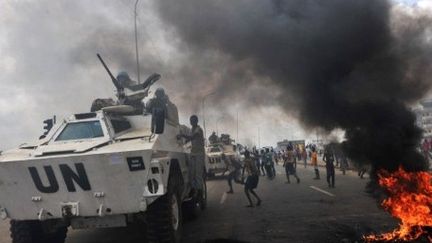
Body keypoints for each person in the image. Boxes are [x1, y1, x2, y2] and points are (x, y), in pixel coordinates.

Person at [177, 115, 205, 196]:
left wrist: (182, 135)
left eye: (192, 120)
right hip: (193, 153)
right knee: (191, 174)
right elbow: (189, 139)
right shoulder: (192, 129)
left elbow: (192, 137)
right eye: (190, 120)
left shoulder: (198, 130)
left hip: (199, 154)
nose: (191, 122)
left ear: (196, 121)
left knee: (198, 175)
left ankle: (200, 193)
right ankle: (194, 190)